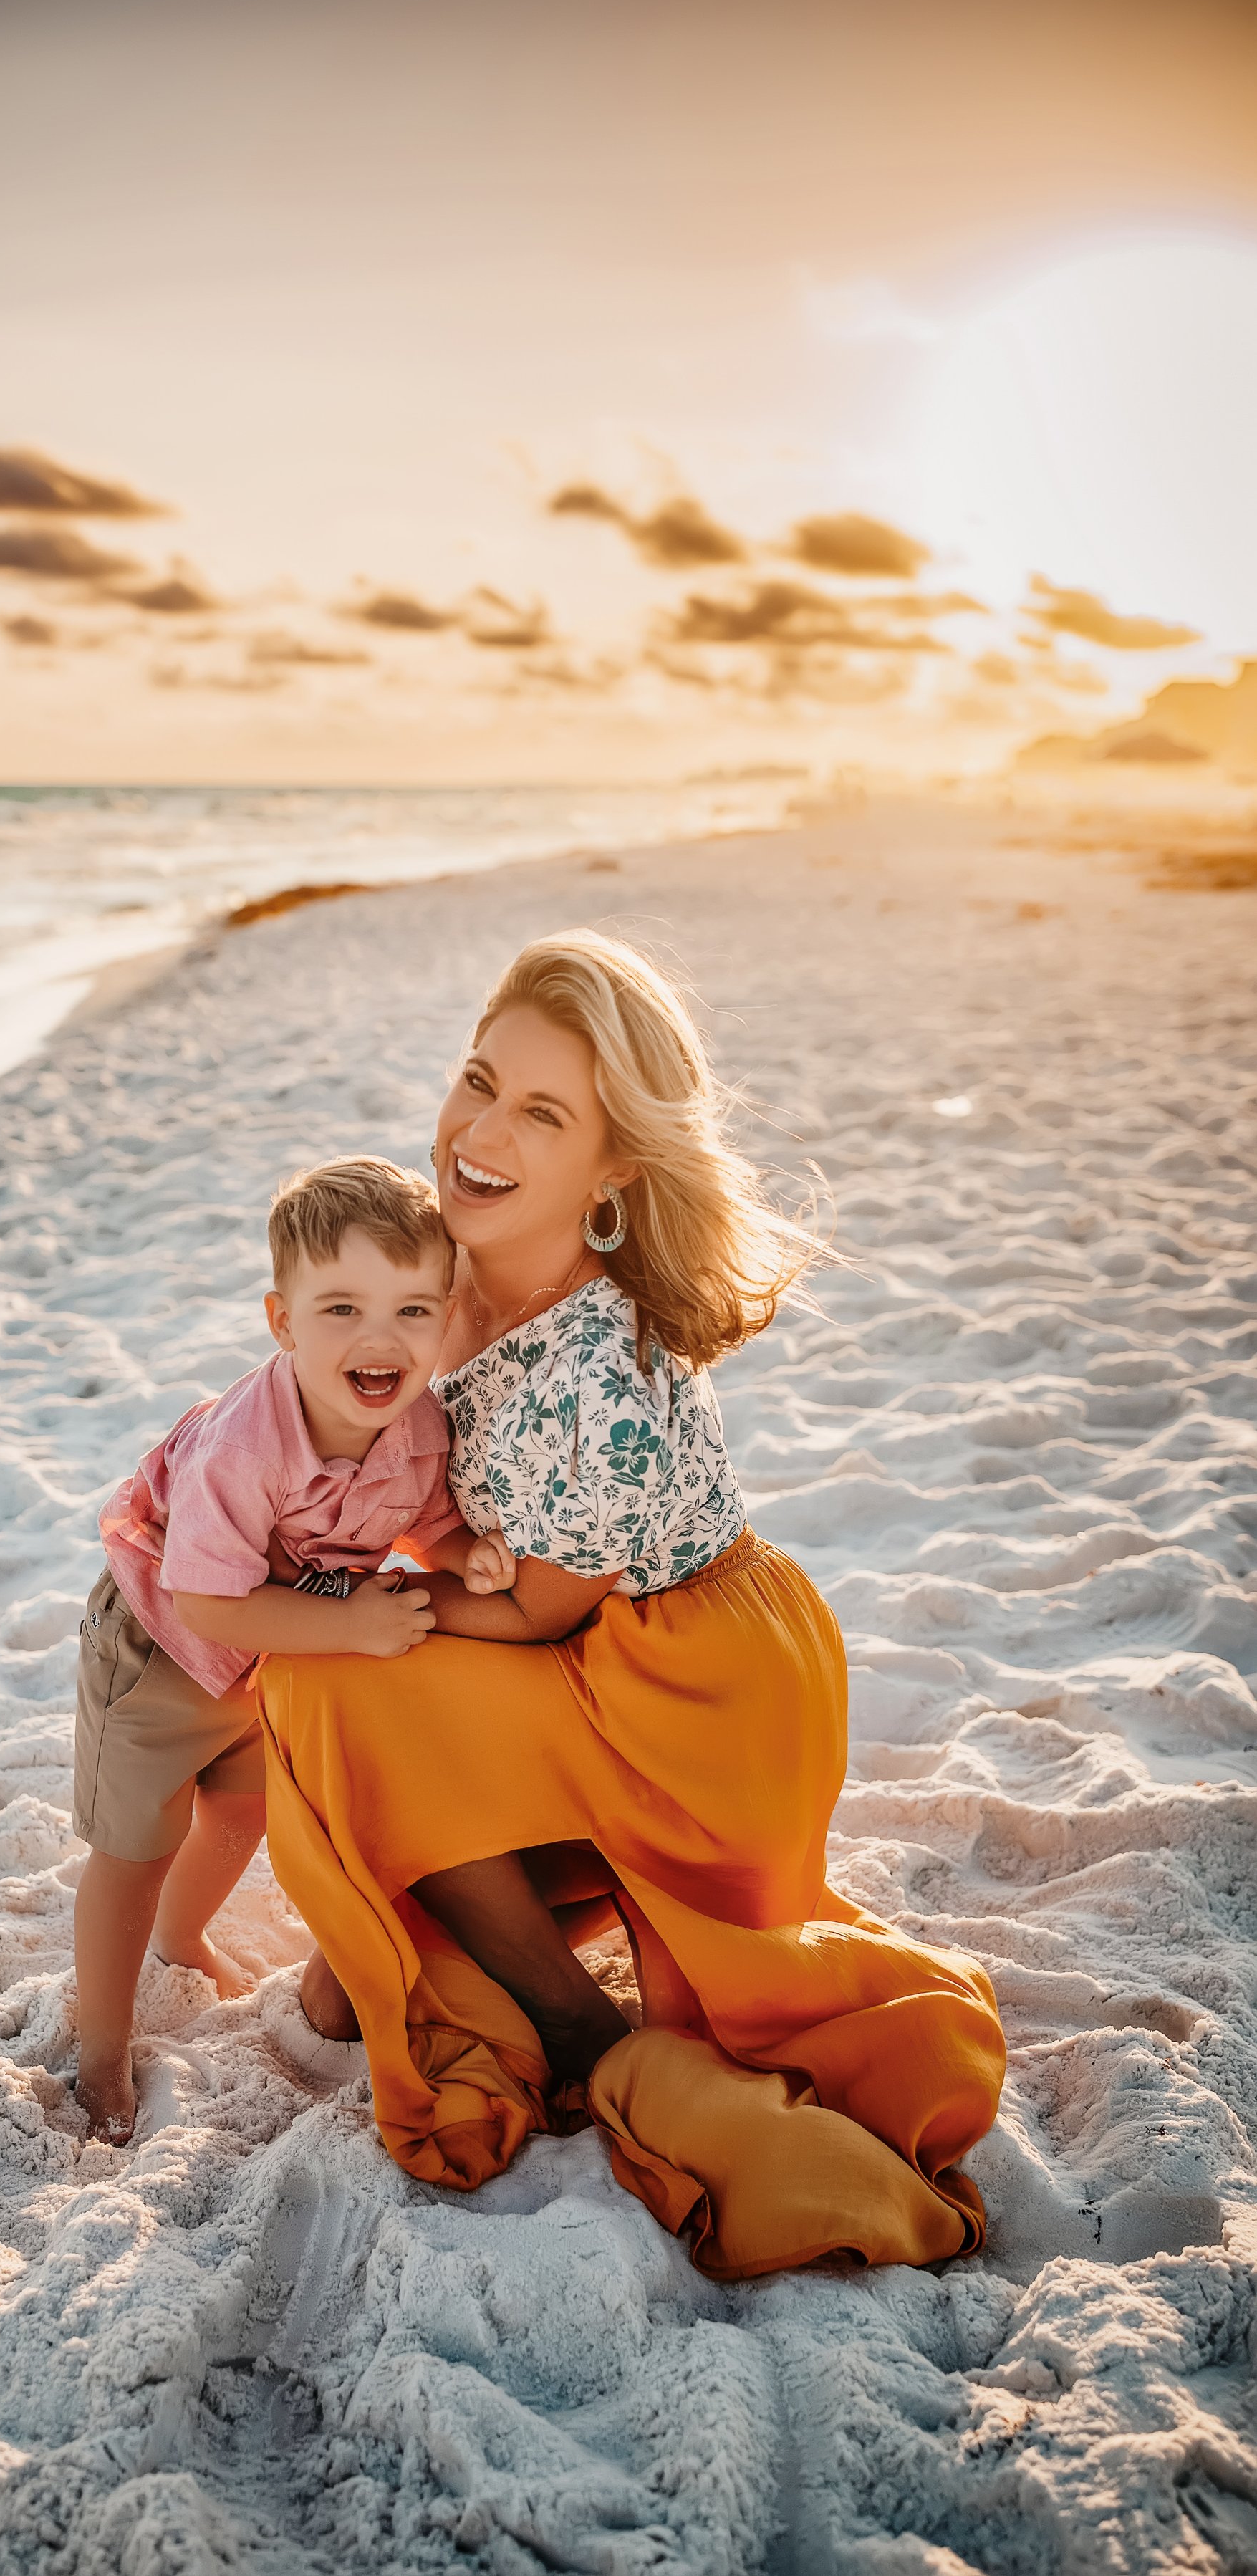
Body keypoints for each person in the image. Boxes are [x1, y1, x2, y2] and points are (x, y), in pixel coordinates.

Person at [259, 933, 1006, 2279]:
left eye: (540, 1114)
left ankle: (576, 2031)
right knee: (348, 1890)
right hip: (590, 1647)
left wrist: (373, 1614)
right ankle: (502, 1941)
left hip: (700, 1692)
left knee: (329, 1675)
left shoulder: (593, 1364)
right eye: (478, 1081)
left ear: (614, 1168)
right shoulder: (450, 1265)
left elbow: (540, 1610)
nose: (478, 1134)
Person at [72, 1155, 513, 2140]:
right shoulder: (247, 1446)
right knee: (134, 1849)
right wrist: (355, 1627)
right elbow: (209, 1599)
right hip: (158, 1648)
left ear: (447, 1318)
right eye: (343, 1309)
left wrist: (462, 1553)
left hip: (269, 1650)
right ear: (283, 1322)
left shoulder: (421, 1427)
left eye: (412, 1311)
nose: (379, 1339)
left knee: (239, 1811)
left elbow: (427, 1518)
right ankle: (98, 2047)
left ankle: (182, 1943)